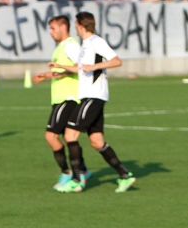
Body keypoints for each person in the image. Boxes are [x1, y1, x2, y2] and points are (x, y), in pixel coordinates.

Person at [50, 12, 136, 193]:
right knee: (97, 141)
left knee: (70, 135)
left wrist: (95, 67)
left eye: (76, 24)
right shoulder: (84, 46)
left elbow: (116, 60)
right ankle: (124, 175)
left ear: (80, 25)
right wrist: (61, 69)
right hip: (88, 96)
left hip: (94, 96)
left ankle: (76, 179)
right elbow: (80, 69)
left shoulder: (96, 42)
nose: (75, 27)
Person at [33, 15, 90, 190]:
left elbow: (80, 68)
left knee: (51, 136)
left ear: (63, 27)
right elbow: (63, 71)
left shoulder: (71, 45)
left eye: (53, 28)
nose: (51, 32)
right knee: (68, 137)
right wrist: (46, 75)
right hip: (61, 97)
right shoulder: (61, 47)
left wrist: (57, 72)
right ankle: (82, 170)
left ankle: (68, 172)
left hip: (69, 97)